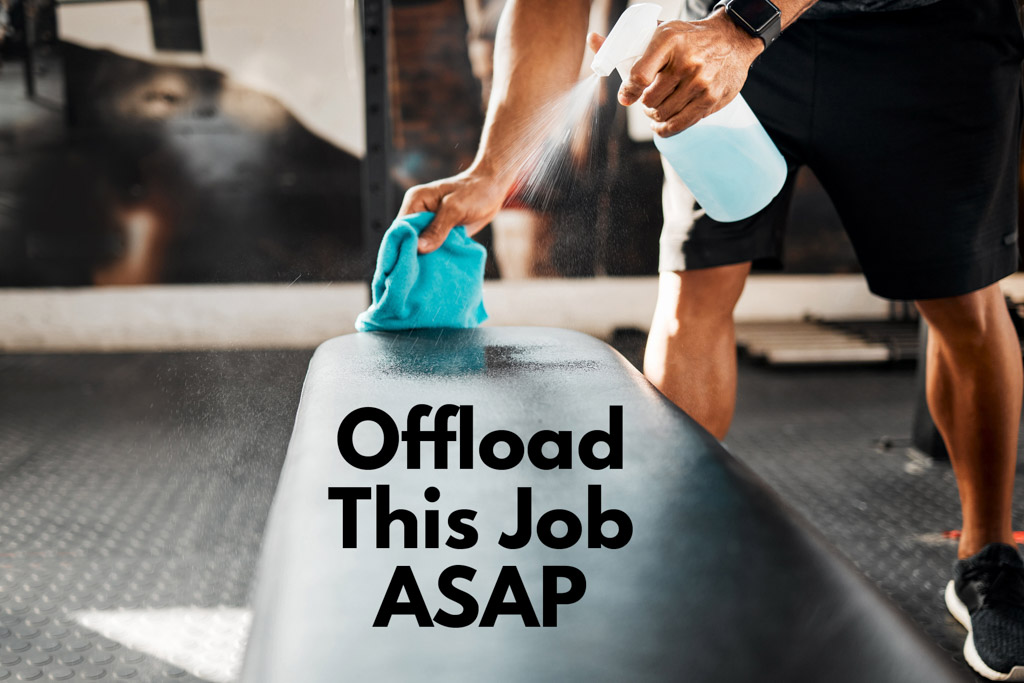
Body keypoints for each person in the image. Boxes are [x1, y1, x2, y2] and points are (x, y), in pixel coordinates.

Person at [398, 0, 1024, 677]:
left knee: (961, 298)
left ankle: (989, 552)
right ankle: (675, 550)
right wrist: (494, 169)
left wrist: (743, 27)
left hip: (921, 36)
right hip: (722, 24)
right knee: (695, 283)